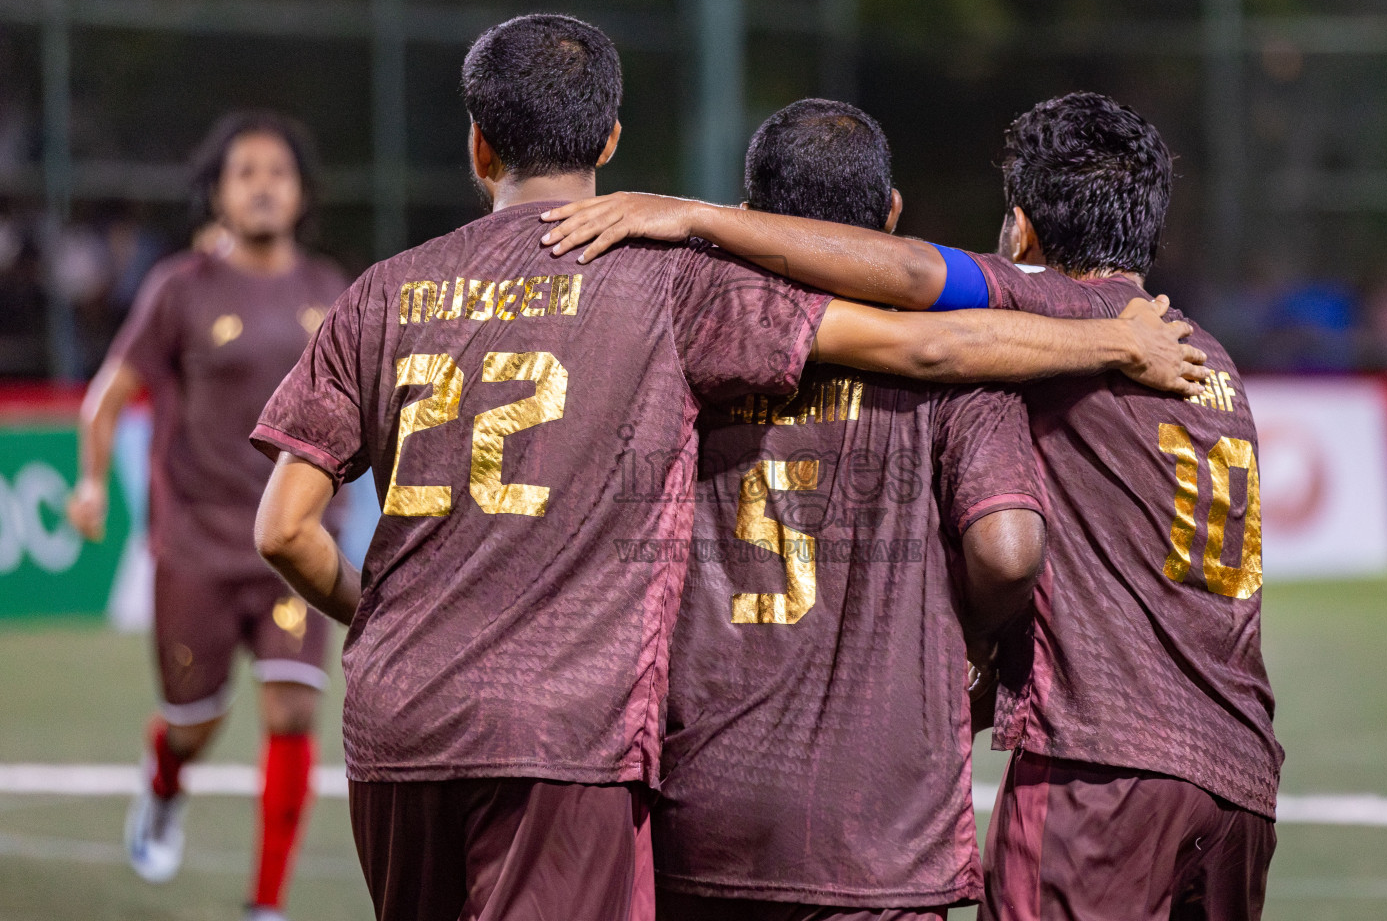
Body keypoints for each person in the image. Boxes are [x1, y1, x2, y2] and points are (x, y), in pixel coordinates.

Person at [248, 17, 1205, 921]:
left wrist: (386, 616)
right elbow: (929, 353)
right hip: (570, 731)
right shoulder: (671, 283)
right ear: (612, 139)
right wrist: (1110, 346)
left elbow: (285, 528)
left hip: (401, 719)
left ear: (478, 146)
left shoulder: (380, 290)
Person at [543, 92, 1282, 921]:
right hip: (1240, 766)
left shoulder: (1040, 304)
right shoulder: (1209, 361)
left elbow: (910, 282)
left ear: (1025, 232)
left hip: (1099, 752)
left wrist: (692, 217)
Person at [655, 99, 1046, 921]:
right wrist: (971, 647)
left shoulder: (684, 341)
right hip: (883, 829)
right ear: (893, 213)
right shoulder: (963, 359)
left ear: (753, 218)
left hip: (699, 804)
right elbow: (1009, 550)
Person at [66, 111, 349, 921]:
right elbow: (107, 400)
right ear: (217, 192)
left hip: (295, 540)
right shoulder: (179, 289)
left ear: (301, 193)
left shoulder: (331, 290)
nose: (263, 185)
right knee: (196, 720)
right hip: (195, 542)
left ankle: (266, 905)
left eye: (278, 172)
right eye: (245, 172)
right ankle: (163, 784)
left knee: (293, 708)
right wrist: (90, 486)